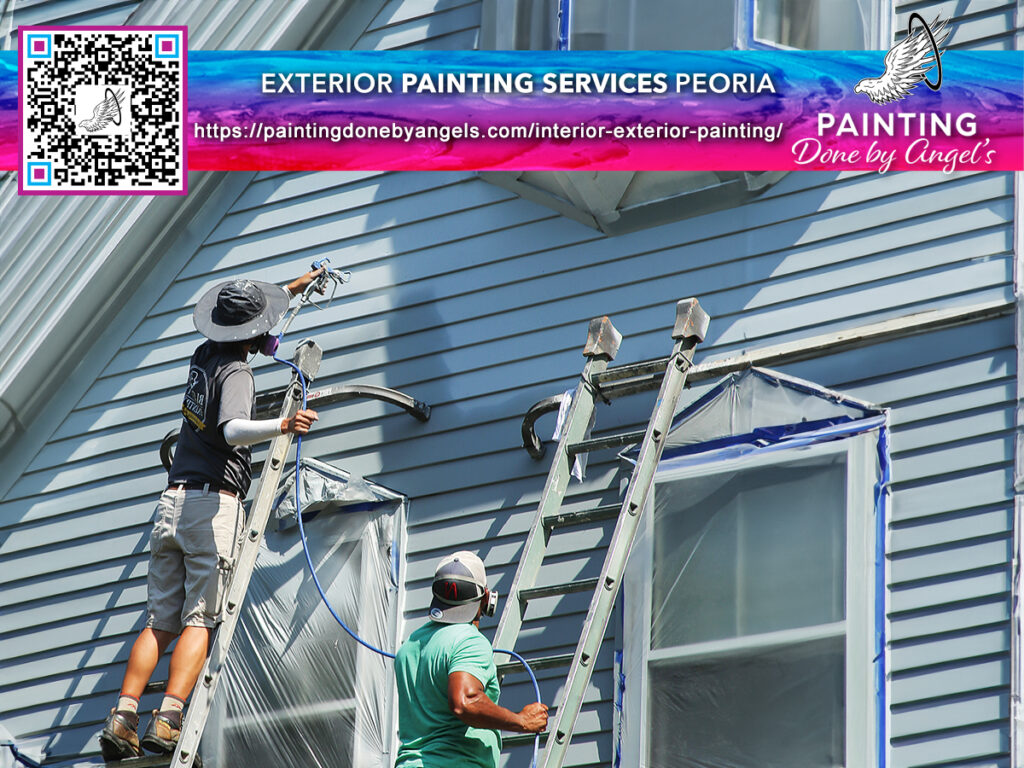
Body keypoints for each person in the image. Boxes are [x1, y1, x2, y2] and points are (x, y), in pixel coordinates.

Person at [99, 270, 323, 761]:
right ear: (255, 333)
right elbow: (233, 430)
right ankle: (170, 718)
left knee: (160, 622)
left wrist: (298, 284)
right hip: (209, 505)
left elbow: (261, 302)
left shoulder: (203, 358)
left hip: (172, 503)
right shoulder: (239, 374)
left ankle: (123, 717)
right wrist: (284, 423)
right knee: (199, 619)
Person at [394, 551, 548, 768]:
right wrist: (522, 721)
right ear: (487, 598)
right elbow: (465, 702)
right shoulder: (469, 640)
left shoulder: (409, 646)